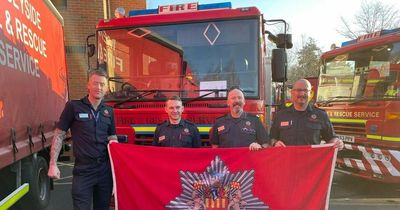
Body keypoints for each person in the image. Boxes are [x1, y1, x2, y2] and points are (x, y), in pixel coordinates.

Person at [48, 70, 117, 210]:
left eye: (102, 84)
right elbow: (59, 134)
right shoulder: (73, 106)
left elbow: (112, 137)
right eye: (95, 83)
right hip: (83, 170)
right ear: (88, 85)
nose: (99, 87)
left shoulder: (109, 111)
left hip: (105, 170)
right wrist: (53, 164)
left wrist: (117, 170)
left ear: (107, 88)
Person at [270, 79, 344, 150]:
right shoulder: (281, 115)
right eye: (298, 90)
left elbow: (331, 138)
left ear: (310, 93)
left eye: (305, 90)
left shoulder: (321, 115)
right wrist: (275, 143)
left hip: (311, 162)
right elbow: (271, 138)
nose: (302, 93)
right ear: (292, 92)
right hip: (287, 161)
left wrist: (337, 142)